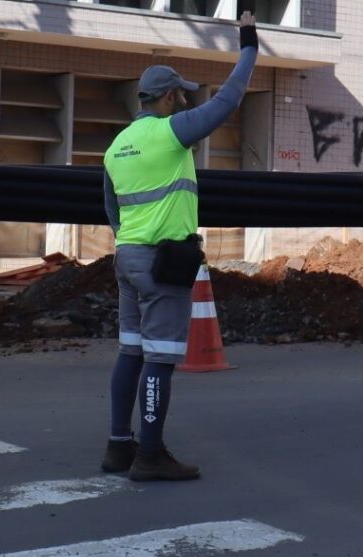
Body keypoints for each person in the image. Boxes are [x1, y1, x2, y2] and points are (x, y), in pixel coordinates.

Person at [100, 12, 258, 481]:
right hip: (163, 262)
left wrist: (133, 242)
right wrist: (248, 45)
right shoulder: (171, 133)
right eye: (181, 94)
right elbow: (228, 100)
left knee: (130, 352)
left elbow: (112, 208)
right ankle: (150, 456)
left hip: (127, 259)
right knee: (160, 360)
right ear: (167, 97)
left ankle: (118, 448)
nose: (185, 100)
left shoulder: (117, 146)